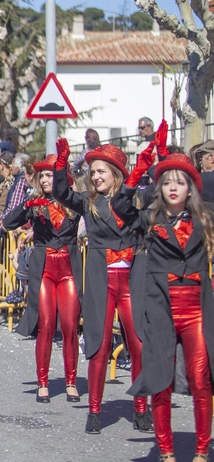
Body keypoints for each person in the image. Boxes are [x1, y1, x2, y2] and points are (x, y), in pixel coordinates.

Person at [113, 151, 214, 462]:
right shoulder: (150, 220)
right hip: (162, 308)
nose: (173, 187)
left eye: (180, 182)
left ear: (190, 189)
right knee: (161, 380)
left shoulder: (203, 220)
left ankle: (202, 449)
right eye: (167, 181)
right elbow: (120, 208)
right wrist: (137, 172)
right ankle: (166, 450)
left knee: (202, 381)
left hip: (197, 309)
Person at [53, 139, 150, 434]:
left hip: (132, 279)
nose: (95, 177)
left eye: (101, 172)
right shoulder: (88, 202)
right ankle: (94, 410)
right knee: (99, 345)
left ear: (116, 173)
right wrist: (61, 165)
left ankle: (141, 410)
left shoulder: (136, 202)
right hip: (101, 280)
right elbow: (60, 192)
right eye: (93, 172)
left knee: (138, 344)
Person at [2, 155, 82, 403]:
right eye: (43, 175)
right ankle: (43, 382)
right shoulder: (33, 202)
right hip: (44, 266)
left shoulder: (73, 202)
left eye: (51, 175)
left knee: (69, 326)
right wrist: (27, 206)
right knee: (46, 324)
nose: (46, 179)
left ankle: (71, 382)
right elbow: (7, 222)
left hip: (68, 266)